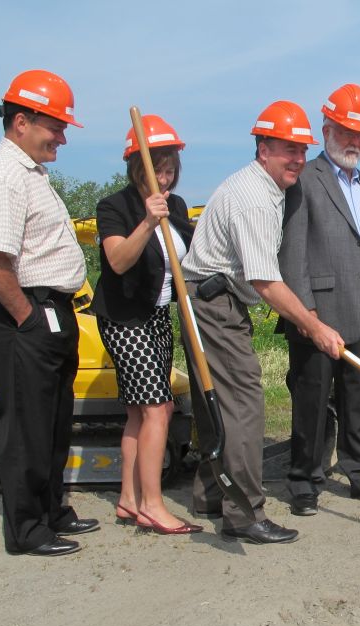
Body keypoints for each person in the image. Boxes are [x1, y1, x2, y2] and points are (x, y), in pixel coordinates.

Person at [180, 101, 345, 544]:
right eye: (287, 149)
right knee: (244, 406)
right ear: (263, 147)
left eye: (301, 150)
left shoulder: (266, 190)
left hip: (213, 301)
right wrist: (315, 326)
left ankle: (211, 494)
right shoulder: (253, 198)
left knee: (219, 407)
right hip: (214, 306)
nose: (296, 159)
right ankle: (244, 514)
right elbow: (266, 282)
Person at [0, 70, 99, 556]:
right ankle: (27, 530)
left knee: (55, 418)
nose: (61, 137)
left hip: (47, 309)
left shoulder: (30, 173)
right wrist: (27, 318)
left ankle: (51, 510)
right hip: (20, 312)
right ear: (21, 121)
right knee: (27, 424)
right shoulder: (0, 176)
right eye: (55, 126)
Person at [276, 84, 360, 516]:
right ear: (326, 129)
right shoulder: (305, 179)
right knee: (311, 397)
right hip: (317, 309)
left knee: (358, 395)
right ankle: (304, 481)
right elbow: (292, 256)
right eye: (347, 131)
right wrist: (306, 314)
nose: (354, 141)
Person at [91, 114, 201, 535]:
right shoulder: (114, 207)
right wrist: (148, 222)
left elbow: (188, 253)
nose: (167, 177)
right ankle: (153, 505)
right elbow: (118, 261)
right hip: (123, 318)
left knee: (141, 411)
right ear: (137, 166)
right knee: (158, 409)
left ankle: (128, 499)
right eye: (159, 168)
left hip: (156, 316)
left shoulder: (175, 205)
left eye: (172, 168)